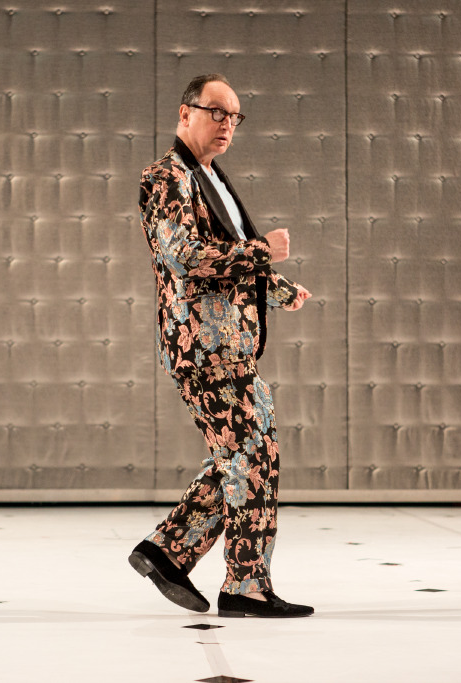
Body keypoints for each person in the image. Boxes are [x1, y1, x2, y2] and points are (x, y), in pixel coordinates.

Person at [128, 74, 314, 619]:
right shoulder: (167, 175)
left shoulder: (211, 177)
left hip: (227, 343)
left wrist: (278, 289)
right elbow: (184, 256)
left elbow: (225, 256)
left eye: (235, 116)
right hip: (201, 346)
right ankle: (243, 585)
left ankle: (167, 551)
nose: (227, 123)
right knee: (252, 453)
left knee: (246, 452)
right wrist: (264, 253)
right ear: (185, 113)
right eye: (217, 112)